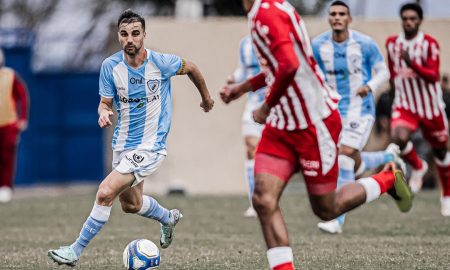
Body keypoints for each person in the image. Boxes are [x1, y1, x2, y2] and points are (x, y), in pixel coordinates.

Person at [221, 1, 412, 269]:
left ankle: (388, 179)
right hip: (282, 126)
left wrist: (265, 106)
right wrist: (242, 88)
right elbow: (280, 65)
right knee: (264, 199)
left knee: (326, 208)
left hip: (314, 124)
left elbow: (289, 64)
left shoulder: (267, 12)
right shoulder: (263, 11)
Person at [48, 9, 214, 266]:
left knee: (104, 193)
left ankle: (74, 251)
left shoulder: (161, 63)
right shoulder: (110, 67)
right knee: (132, 205)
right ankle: (168, 218)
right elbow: (104, 103)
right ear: (119, 36)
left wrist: (206, 97)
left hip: (151, 146)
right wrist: (103, 113)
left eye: (135, 33)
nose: (130, 39)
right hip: (123, 146)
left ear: (144, 35)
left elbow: (191, 67)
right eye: (125, 34)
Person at [312, 1, 400, 234]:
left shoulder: (365, 44)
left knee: (344, 156)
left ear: (349, 19)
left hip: (359, 110)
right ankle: (388, 156)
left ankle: (337, 219)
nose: (337, 17)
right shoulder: (318, 45)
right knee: (350, 161)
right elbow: (311, 74)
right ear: (329, 18)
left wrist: (369, 86)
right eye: (333, 14)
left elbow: (384, 72)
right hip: (331, 111)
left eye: (342, 14)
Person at [386, 2, 450, 215]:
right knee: (397, 136)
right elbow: (393, 73)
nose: (409, 22)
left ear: (420, 20)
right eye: (405, 18)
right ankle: (418, 166)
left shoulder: (429, 44)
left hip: (430, 108)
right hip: (405, 105)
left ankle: (447, 196)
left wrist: (411, 63)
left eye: (413, 18)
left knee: (441, 152)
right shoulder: (392, 43)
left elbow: (433, 76)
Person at [227, 35, 266, 217]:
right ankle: (255, 202)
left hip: (279, 106)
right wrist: (233, 80)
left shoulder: (278, 38)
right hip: (254, 105)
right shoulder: (245, 43)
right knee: (252, 149)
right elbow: (244, 71)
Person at [0, 49, 29, 203]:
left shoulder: (10, 75)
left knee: (7, 155)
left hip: (9, 123)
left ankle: (5, 187)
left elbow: (21, 95)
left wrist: (22, 117)